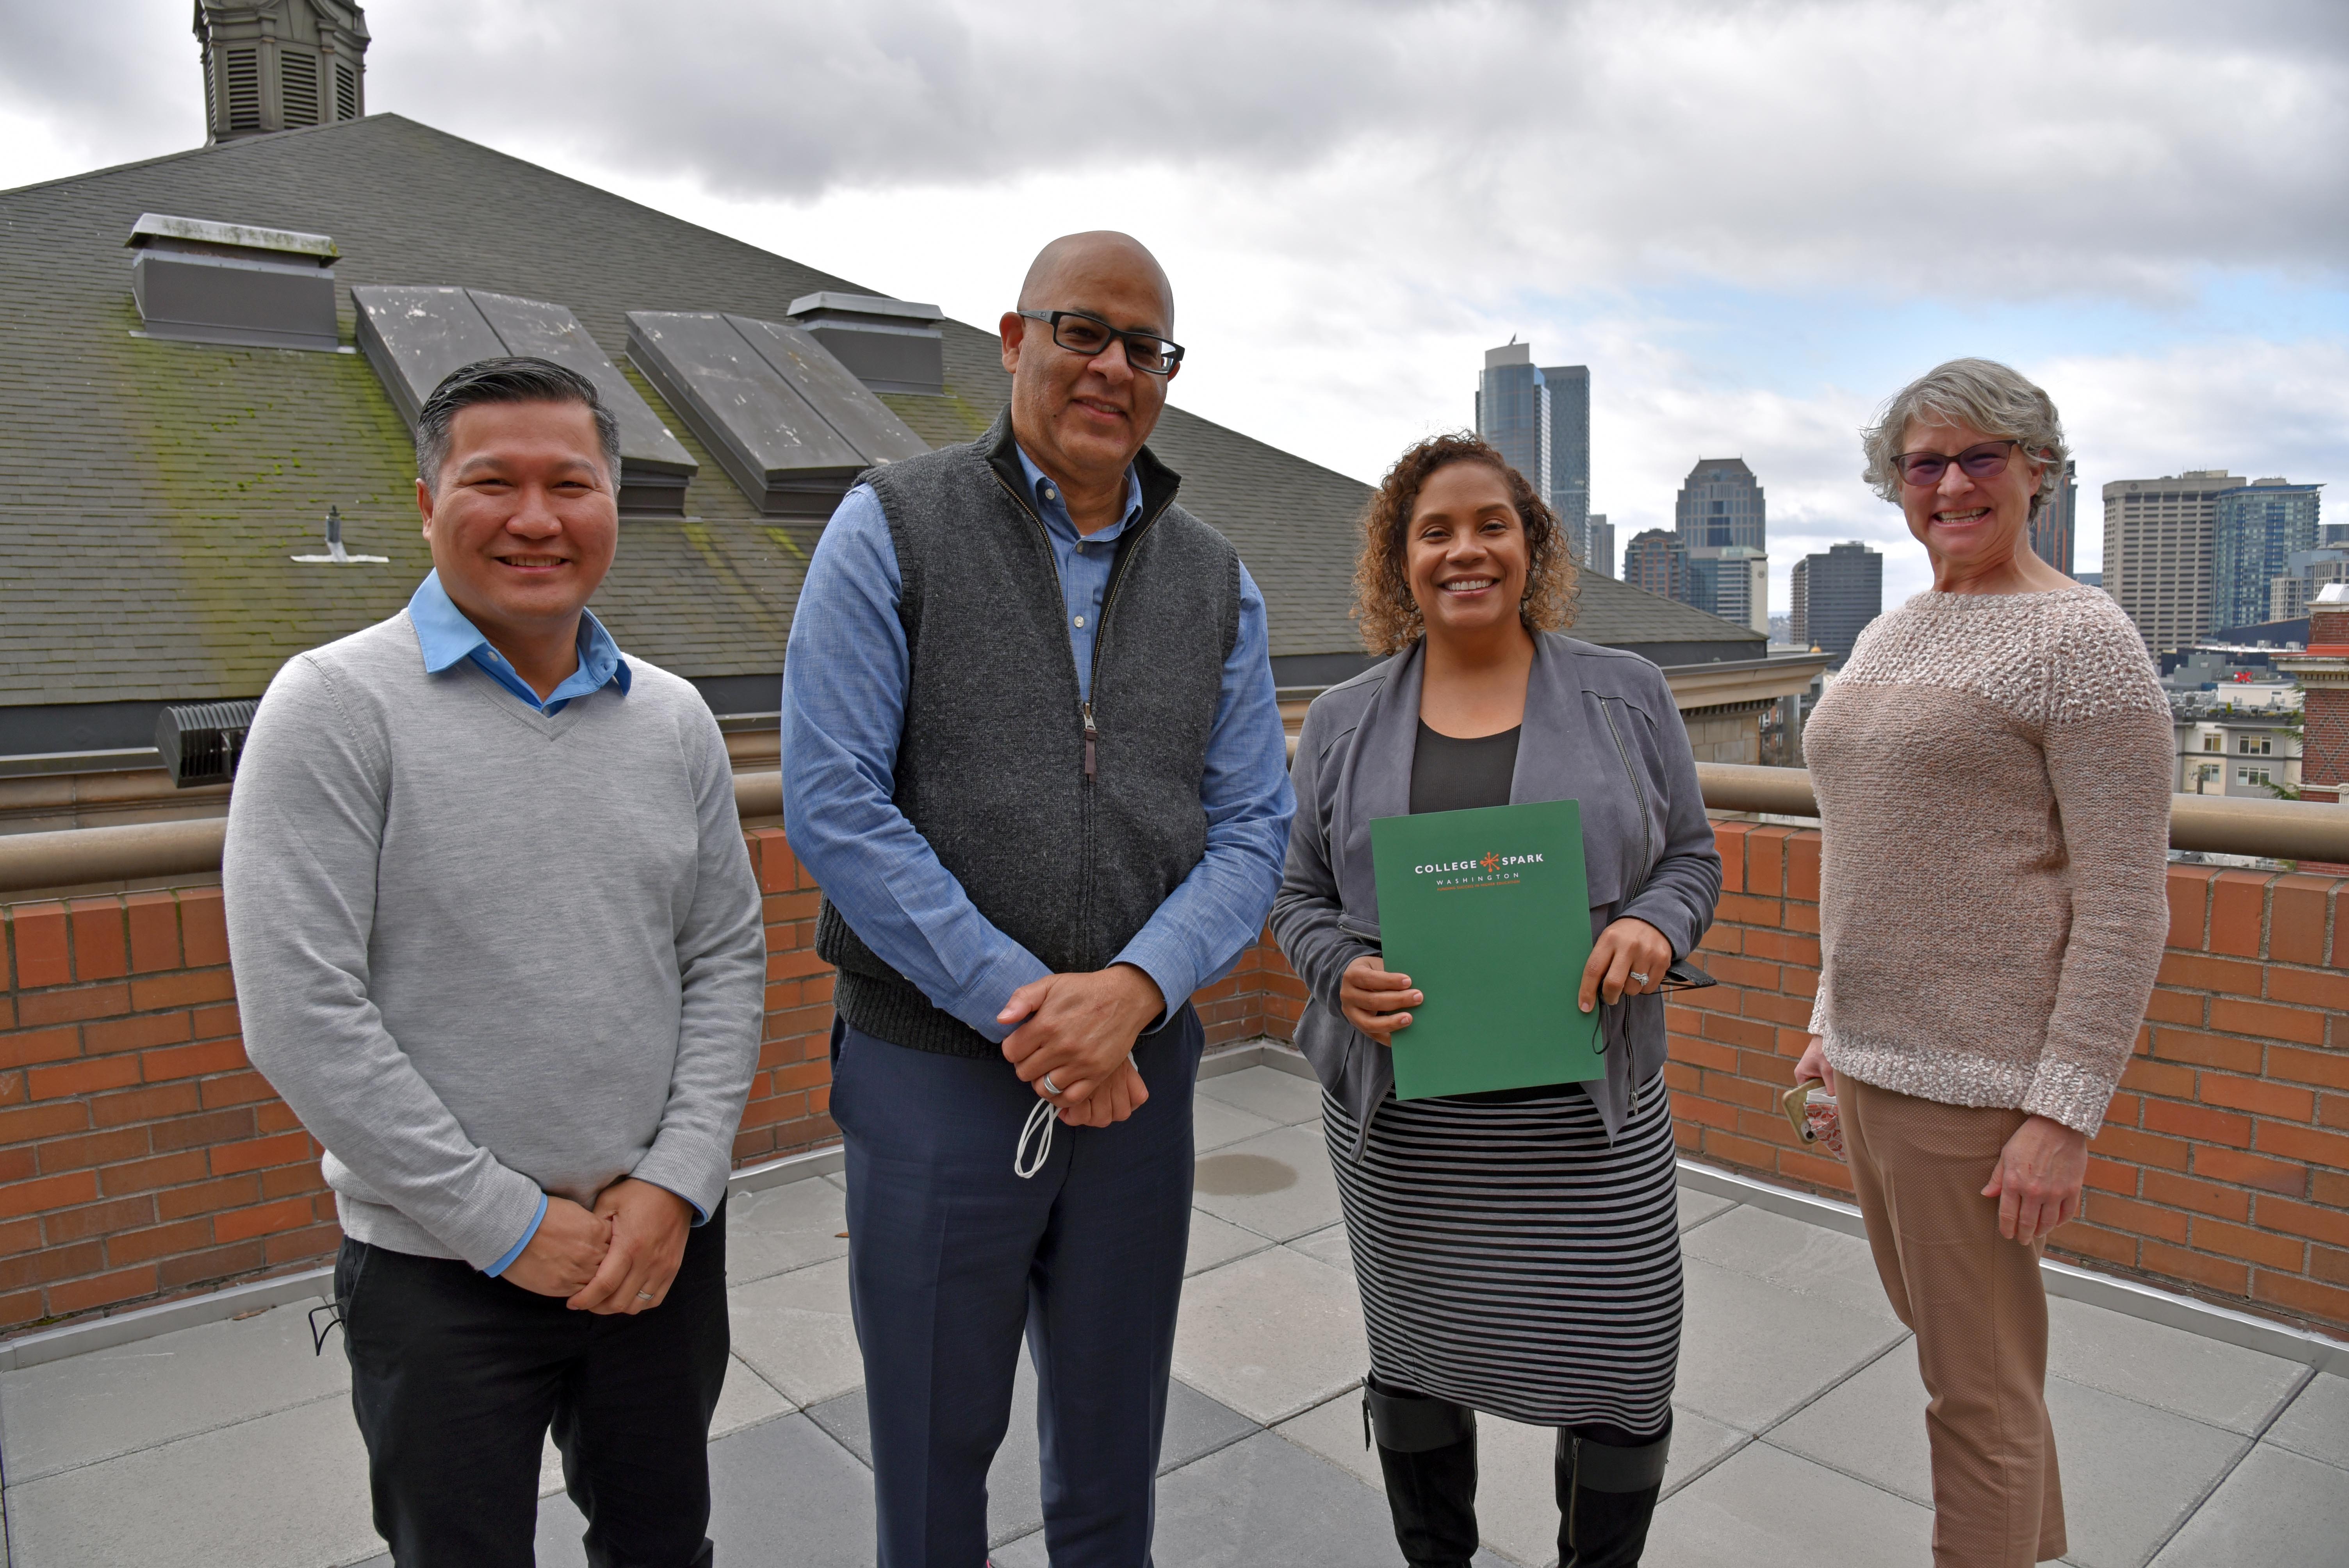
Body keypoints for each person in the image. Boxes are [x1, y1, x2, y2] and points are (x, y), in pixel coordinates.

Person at [781, 231, 1294, 1568]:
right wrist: (1033, 1010)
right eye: (1083, 332)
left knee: (1115, 1441)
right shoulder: (889, 526)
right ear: (1013, 340)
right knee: (936, 1453)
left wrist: (1129, 996)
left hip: (1140, 1075)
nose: (1112, 367)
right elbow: (835, 803)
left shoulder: (1219, 581)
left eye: (1145, 347)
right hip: (935, 1072)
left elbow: (1252, 831)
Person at [223, 358, 768, 1568]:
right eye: (493, 482)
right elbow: (301, 1014)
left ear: (612, 506)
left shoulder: (673, 719)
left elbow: (726, 955)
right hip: (440, 1269)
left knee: (663, 1543)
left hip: (657, 1249)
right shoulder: (331, 708)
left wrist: (679, 1182)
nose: (536, 518)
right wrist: (508, 1225)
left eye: (570, 483)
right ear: (426, 506)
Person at [1271, 434, 1722, 1568]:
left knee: (1623, 1375)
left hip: (1588, 1123)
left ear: (1532, 545)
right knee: (1417, 1367)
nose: (1465, 550)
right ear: (1400, 558)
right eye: (1435, 531)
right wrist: (1338, 969)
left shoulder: (1628, 695)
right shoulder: (1342, 719)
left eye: (1491, 525)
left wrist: (1650, 926)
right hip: (1408, 1132)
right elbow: (1296, 896)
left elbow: (1692, 861)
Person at [1795, 359, 2171, 1568]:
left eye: (1981, 458)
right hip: (1875, 1069)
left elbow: (2125, 904)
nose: (1951, 484)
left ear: (2038, 472)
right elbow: (1869, 848)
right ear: (1896, 486)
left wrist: (2062, 1115)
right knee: (1975, 1369)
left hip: (1979, 1090)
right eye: (1924, 463)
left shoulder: (2085, 643)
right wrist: (1827, 1021)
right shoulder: (1891, 627)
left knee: (1976, 1395)